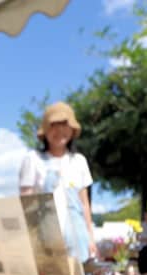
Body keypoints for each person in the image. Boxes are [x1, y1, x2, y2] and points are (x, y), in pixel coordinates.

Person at [19, 102, 97, 263]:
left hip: (77, 239)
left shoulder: (79, 161)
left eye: (64, 126)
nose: (60, 131)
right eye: (54, 126)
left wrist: (90, 237)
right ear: (45, 131)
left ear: (72, 131)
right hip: (45, 238)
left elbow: (84, 204)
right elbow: (26, 203)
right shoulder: (33, 159)